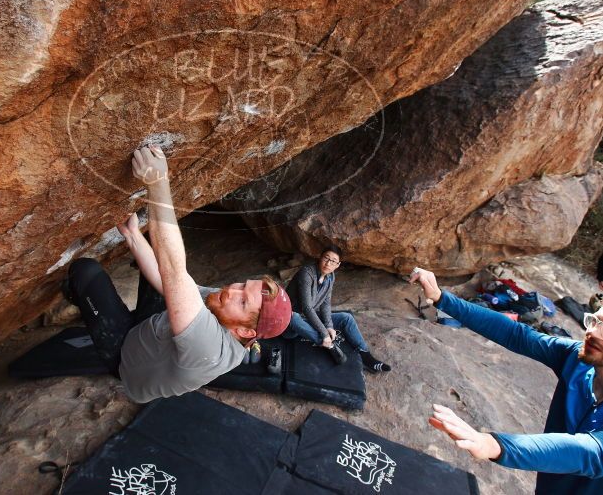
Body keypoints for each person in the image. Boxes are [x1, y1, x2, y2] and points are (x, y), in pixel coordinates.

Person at [63, 146, 291, 403]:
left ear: (246, 333)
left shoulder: (210, 348)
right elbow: (169, 281)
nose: (231, 290)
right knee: (161, 249)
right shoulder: (221, 306)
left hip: (126, 357)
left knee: (85, 271)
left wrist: (157, 182)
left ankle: (75, 294)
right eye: (242, 285)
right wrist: (132, 236)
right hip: (153, 329)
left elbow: (174, 271)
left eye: (242, 301)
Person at [410, 267, 603, 494]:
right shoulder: (578, 360)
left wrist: (497, 445)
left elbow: (592, 453)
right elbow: (518, 335)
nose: (594, 333)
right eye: (595, 321)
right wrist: (442, 298)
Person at [284, 245, 391, 373]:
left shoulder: (330, 277)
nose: (328, 263)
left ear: (337, 265)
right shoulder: (306, 273)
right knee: (293, 316)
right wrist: (324, 333)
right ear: (320, 258)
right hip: (289, 324)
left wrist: (329, 325)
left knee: (346, 318)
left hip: (308, 319)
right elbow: (306, 308)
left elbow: (325, 303)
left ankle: (366, 357)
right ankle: (329, 345)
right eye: (326, 258)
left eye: (333, 261)